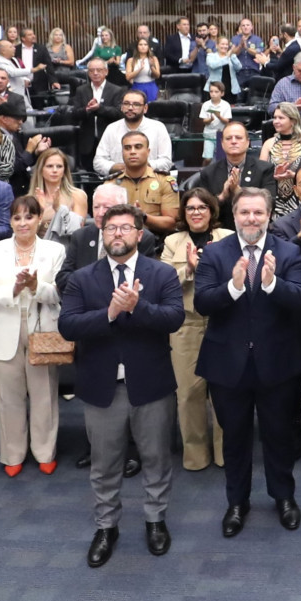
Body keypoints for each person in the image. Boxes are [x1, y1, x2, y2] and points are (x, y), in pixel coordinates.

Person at [59, 202, 188, 566]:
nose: (117, 233)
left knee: (156, 458)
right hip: (101, 388)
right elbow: (68, 326)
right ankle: (106, 526)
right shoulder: (82, 278)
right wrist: (111, 314)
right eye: (110, 228)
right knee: (104, 464)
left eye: (124, 228)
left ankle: (155, 520)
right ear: (102, 234)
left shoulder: (161, 274)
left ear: (139, 234)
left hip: (151, 386)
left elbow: (174, 318)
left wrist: (138, 308)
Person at [196, 186, 301, 535]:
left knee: (279, 435)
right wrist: (233, 287)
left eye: (258, 212)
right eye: (245, 212)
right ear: (234, 216)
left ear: (269, 215)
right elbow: (202, 303)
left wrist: (273, 283)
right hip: (228, 365)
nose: (251, 218)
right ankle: (237, 502)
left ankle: (284, 497)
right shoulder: (215, 253)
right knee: (235, 438)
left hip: (276, 362)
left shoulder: (288, 252)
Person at [0, 194, 66, 478]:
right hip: (3, 327)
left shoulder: (55, 250)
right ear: (10, 221)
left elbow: (62, 292)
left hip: (43, 327)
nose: (23, 223)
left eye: (29, 217)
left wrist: (37, 285)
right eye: (17, 217)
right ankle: (12, 453)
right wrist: (12, 291)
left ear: (39, 219)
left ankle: (44, 451)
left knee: (44, 395)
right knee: (8, 397)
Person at [160, 187, 229, 472]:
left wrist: (209, 268)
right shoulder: (172, 241)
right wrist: (189, 270)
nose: (196, 213)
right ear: (183, 213)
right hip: (186, 326)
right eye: (190, 208)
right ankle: (196, 456)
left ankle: (226, 453)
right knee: (189, 395)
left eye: (202, 207)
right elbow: (162, 283)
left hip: (223, 324)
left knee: (225, 393)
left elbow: (238, 276)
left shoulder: (227, 239)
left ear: (212, 211)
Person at [91, 90, 173, 178]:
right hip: (119, 182)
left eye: (136, 104)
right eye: (126, 103)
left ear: (145, 108)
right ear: (122, 107)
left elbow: (166, 162)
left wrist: (141, 166)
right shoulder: (112, 128)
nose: (130, 108)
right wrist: (119, 167)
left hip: (151, 181)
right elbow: (98, 162)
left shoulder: (158, 128)